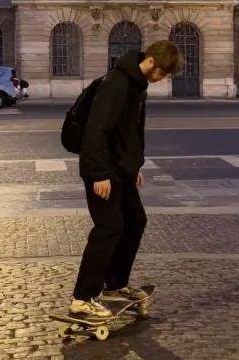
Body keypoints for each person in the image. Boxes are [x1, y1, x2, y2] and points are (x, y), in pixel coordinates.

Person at [69, 40, 184, 320]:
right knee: (108, 228)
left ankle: (115, 284)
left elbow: (127, 134)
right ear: (151, 62)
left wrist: (133, 167)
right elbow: (96, 130)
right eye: (162, 74)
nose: (162, 80)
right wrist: (99, 173)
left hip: (121, 170)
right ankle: (82, 298)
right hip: (103, 171)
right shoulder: (117, 83)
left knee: (135, 221)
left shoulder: (135, 85)